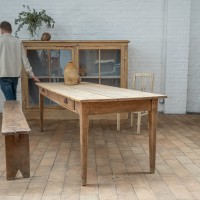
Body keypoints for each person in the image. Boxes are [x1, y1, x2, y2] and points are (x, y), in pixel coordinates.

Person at [0, 21, 40, 101]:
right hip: (15, 75)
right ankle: (15, 113)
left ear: (1, 30)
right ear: (10, 30)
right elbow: (25, 59)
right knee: (13, 99)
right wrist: (32, 74)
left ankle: (13, 114)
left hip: (3, 75)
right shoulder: (18, 42)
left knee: (10, 100)